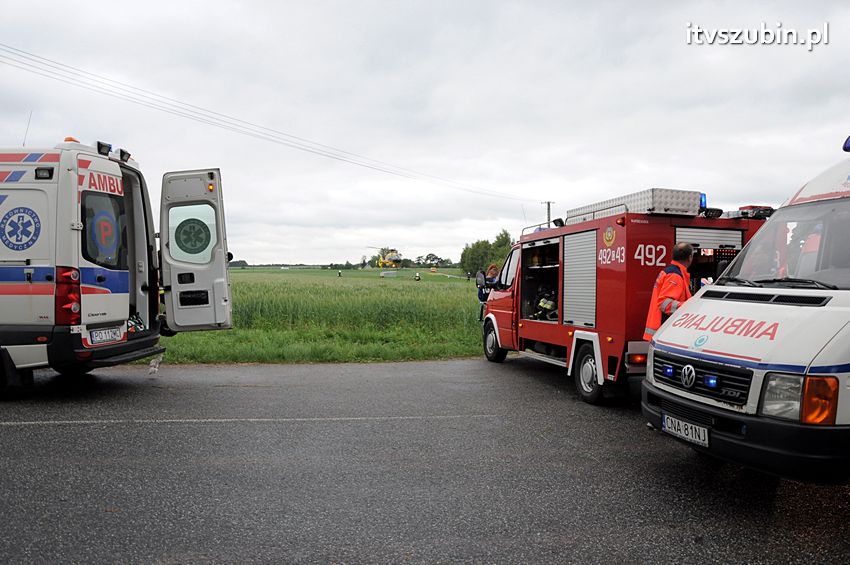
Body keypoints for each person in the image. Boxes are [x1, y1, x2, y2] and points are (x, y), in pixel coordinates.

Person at [643, 242, 694, 341]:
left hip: (661, 329)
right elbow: (664, 304)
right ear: (690, 257)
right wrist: (689, 306)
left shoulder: (670, 272)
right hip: (664, 330)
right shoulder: (675, 275)